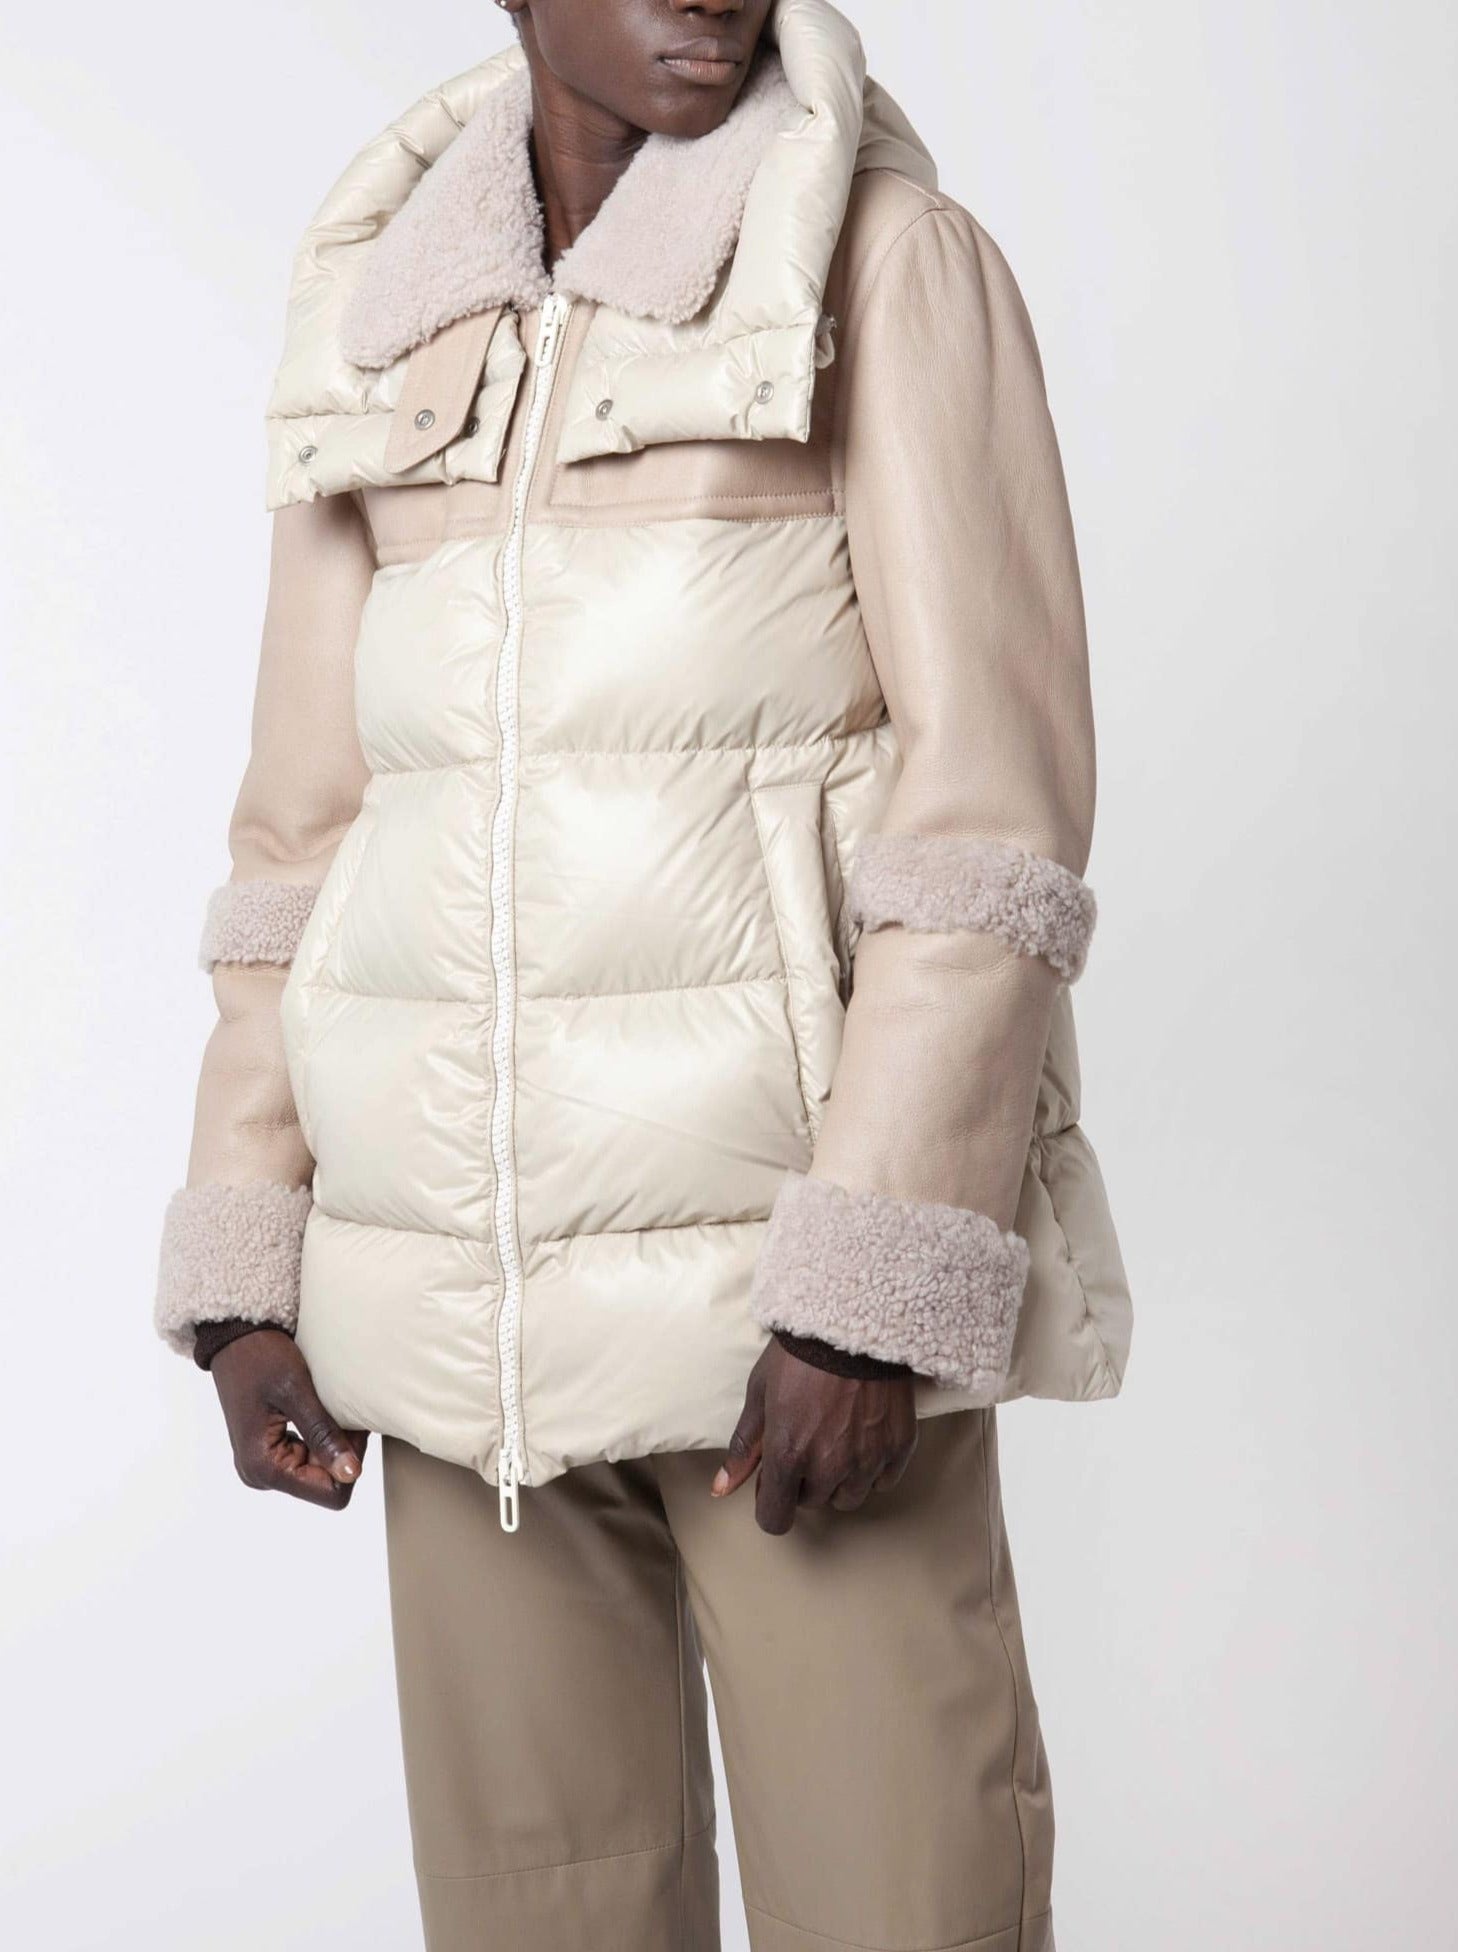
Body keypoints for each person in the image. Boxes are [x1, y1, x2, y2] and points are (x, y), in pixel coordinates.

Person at [155, 0, 1131, 1944]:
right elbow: (307, 835)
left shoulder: (879, 264)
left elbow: (989, 819)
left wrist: (868, 1290)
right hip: (456, 1332)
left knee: (904, 1906)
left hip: (784, 1323)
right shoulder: (388, 312)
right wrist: (248, 1260)